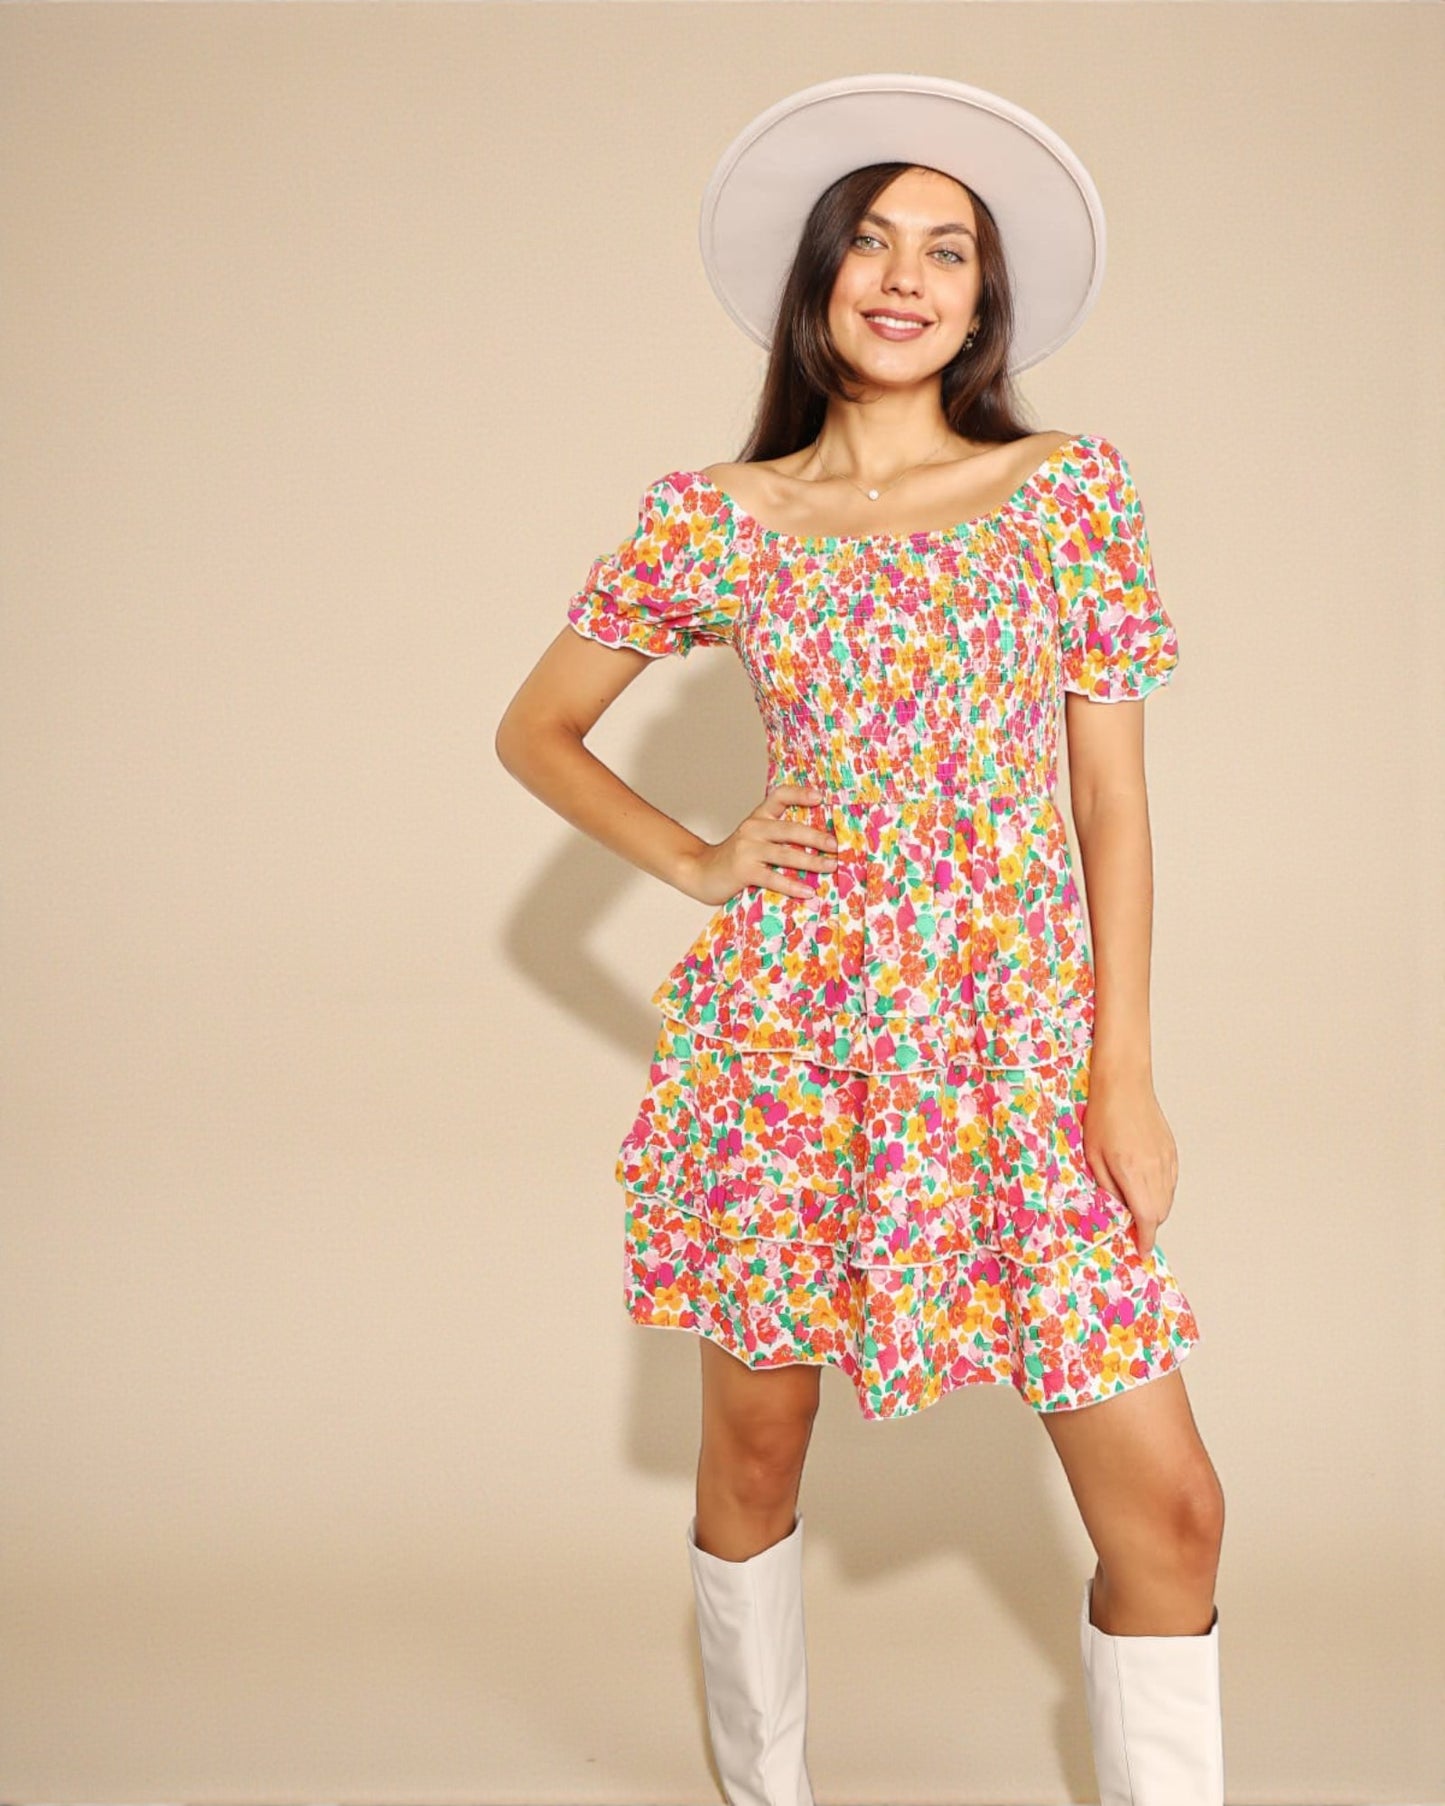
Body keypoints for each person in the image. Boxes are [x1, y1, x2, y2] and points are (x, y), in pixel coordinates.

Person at [496, 72, 1226, 1806]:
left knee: (1172, 1511)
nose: (905, 276)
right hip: (789, 1041)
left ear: (983, 302)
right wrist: (698, 860)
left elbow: (1112, 808)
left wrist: (1119, 1069)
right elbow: (535, 729)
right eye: (873, 242)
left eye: (946, 251)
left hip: (1011, 1046)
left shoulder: (1065, 492)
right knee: (756, 1454)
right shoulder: (718, 515)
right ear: (818, 275)